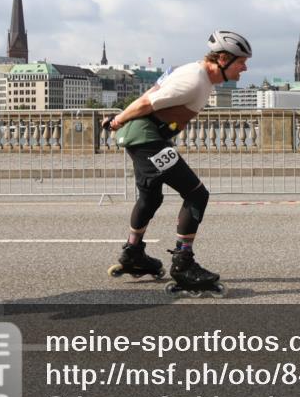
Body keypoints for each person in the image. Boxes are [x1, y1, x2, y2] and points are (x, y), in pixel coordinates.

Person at [103, 30, 252, 295]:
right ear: (223, 58)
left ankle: (133, 253)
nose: (245, 67)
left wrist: (122, 121)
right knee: (197, 194)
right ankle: (183, 264)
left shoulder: (197, 74)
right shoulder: (194, 79)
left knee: (151, 198)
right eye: (241, 61)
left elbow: (154, 88)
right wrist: (118, 119)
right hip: (148, 140)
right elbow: (148, 100)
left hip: (145, 139)